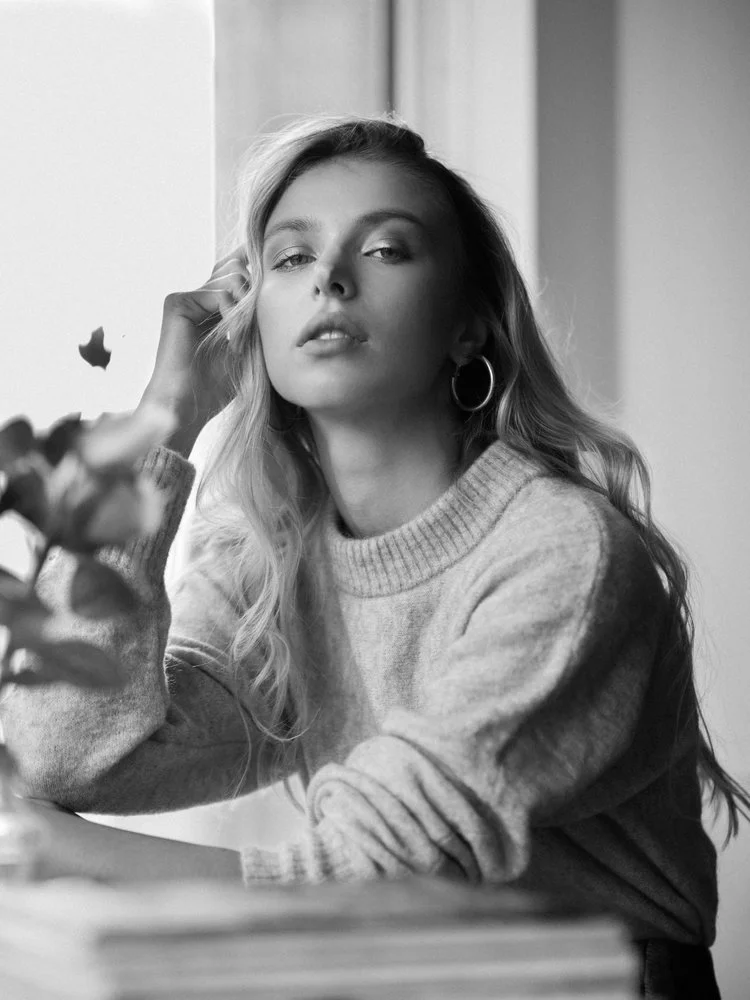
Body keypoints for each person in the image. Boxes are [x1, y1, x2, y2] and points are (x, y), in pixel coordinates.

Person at [1, 115, 745, 997]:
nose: (331, 279)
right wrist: (163, 415)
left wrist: (74, 853)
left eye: (387, 249)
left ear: (468, 327)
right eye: (290, 258)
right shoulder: (273, 565)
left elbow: (381, 875)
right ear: (251, 323)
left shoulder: (563, 552)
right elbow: (61, 758)